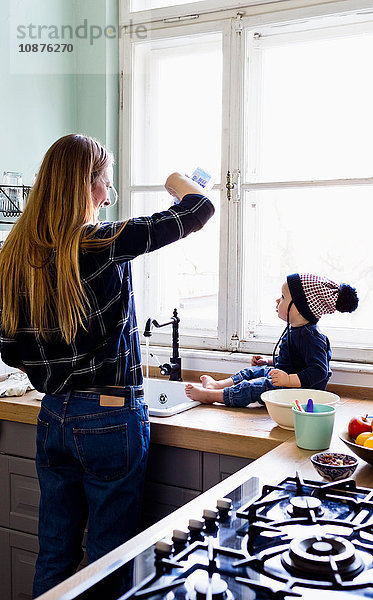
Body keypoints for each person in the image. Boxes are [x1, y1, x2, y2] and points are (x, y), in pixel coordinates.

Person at [0, 134, 214, 598]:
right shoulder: (100, 242)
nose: (108, 196)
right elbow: (198, 210)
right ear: (84, 186)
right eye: (105, 185)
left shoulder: (16, 254)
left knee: (55, 553)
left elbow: (9, 349)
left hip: (53, 415)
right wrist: (178, 181)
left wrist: (56, 374)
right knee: (107, 560)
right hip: (110, 418)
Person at [185, 273, 358, 407]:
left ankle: (211, 396)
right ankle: (217, 385)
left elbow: (319, 371)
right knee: (253, 372)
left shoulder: (312, 337)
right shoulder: (296, 329)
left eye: (283, 297)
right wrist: (268, 361)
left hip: (302, 392)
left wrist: (288, 380)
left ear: (299, 308)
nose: (277, 300)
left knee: (255, 387)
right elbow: (293, 361)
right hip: (288, 381)